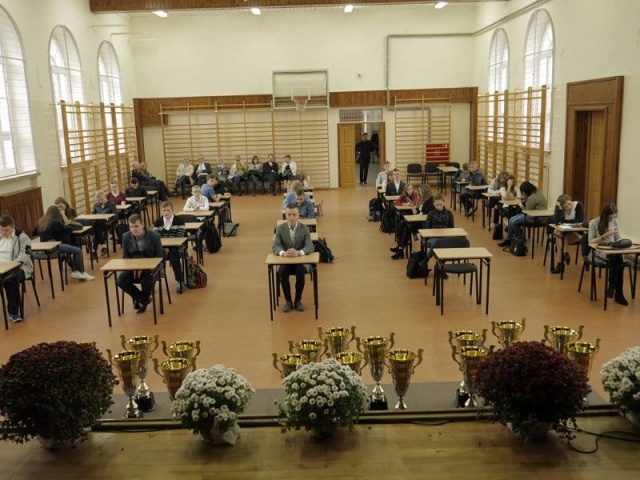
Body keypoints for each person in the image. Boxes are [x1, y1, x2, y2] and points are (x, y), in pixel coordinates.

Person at [272, 203, 315, 312]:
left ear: (298, 215)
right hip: (285, 261)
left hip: (300, 262)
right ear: (285, 215)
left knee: (300, 271)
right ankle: (288, 301)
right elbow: (276, 246)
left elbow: (310, 246)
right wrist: (283, 253)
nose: (291, 217)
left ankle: (298, 300)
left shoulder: (305, 229)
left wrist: (299, 253)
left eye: (294, 215)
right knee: (283, 271)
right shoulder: (280, 229)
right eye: (289, 215)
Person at [117, 214, 164, 313]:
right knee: (121, 280)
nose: (133, 229)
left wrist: (144, 267)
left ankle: (140, 300)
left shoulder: (155, 236)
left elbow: (159, 257)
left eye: (136, 226)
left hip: (151, 267)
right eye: (131, 227)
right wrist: (134, 267)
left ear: (142, 225)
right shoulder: (126, 236)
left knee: (145, 281)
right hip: (133, 267)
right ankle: (142, 299)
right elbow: (125, 257)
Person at [36, 205, 95, 281]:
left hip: (44, 248)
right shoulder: (55, 221)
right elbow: (68, 229)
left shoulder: (41, 221)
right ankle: (80, 272)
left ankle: (76, 270)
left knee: (72, 249)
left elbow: (34, 232)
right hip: (53, 246)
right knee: (78, 250)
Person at [588, 203, 627, 306]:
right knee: (618, 261)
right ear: (604, 216)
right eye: (610, 218)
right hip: (598, 251)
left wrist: (620, 242)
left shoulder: (615, 221)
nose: (612, 220)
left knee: (618, 259)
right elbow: (590, 242)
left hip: (612, 249)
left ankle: (612, 288)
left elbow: (617, 237)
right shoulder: (594, 223)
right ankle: (618, 293)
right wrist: (604, 236)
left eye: (614, 217)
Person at [0, 215, 33, 323]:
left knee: (10, 279)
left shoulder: (22, 237)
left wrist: (11, 265)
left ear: (13, 227)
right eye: (1, 229)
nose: (3, 232)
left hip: (19, 267)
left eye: (6, 230)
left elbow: (25, 255)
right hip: (2, 267)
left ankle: (13, 312)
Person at [498, 181, 548, 248]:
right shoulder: (538, 192)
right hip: (538, 216)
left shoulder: (531, 198)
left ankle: (520, 241)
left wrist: (520, 204)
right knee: (511, 219)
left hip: (537, 218)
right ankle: (509, 240)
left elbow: (527, 211)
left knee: (514, 222)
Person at [153, 201, 186, 294]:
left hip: (175, 247)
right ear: (161, 211)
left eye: (168, 210)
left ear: (172, 210)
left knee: (174, 256)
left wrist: (168, 247)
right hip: (162, 248)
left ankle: (179, 281)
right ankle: (153, 281)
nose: (166, 212)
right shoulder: (158, 222)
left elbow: (179, 237)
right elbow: (156, 238)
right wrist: (164, 247)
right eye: (164, 210)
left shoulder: (179, 221)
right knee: (154, 257)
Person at [549, 194, 586, 274]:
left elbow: (579, 221)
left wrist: (564, 222)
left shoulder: (578, 205)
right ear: (562, 207)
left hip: (577, 232)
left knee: (559, 240)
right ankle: (565, 254)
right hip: (564, 233)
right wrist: (559, 209)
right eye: (566, 206)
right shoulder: (561, 210)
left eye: (569, 204)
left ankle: (560, 264)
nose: (569, 207)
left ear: (570, 200)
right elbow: (556, 222)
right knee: (559, 233)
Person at [422, 195, 455, 275]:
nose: (439, 207)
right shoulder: (431, 214)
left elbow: (452, 228)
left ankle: (429, 260)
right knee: (438, 244)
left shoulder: (449, 214)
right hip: (433, 237)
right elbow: (427, 228)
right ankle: (441, 268)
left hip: (445, 237)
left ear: (444, 203)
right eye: (437, 205)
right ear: (434, 204)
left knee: (442, 244)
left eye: (441, 204)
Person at [389, 184, 423, 259]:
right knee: (401, 225)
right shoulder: (403, 195)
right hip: (407, 214)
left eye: (411, 189)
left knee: (403, 225)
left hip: (414, 215)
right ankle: (400, 247)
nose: (410, 191)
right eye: (408, 189)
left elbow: (414, 203)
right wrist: (404, 204)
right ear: (406, 190)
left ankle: (400, 248)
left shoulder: (415, 195)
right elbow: (395, 202)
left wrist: (410, 203)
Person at [92, 190, 118, 257]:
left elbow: (115, 217)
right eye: (99, 200)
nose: (100, 201)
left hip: (107, 223)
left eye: (101, 199)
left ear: (105, 196)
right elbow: (93, 215)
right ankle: (103, 246)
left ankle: (94, 250)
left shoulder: (112, 204)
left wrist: (108, 218)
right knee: (96, 225)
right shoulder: (96, 205)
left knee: (95, 229)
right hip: (98, 223)